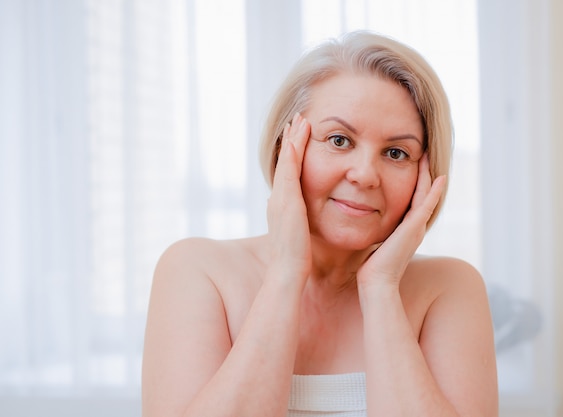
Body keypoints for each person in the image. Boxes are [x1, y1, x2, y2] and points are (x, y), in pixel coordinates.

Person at [142, 31, 498, 417]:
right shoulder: (197, 271)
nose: (365, 175)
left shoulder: (449, 289)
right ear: (286, 148)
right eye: (340, 140)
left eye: (396, 153)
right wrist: (285, 272)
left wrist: (381, 289)